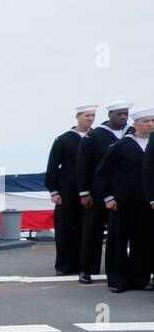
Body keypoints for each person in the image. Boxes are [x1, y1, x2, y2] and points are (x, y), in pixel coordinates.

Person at [94, 107, 154, 293]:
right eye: (146, 121)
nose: (150, 125)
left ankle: (140, 278)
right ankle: (117, 280)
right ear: (135, 124)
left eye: (153, 121)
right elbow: (102, 173)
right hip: (123, 202)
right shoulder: (121, 145)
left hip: (147, 202)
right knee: (118, 241)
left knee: (144, 242)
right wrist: (109, 197)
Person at [76, 101, 133, 284]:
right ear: (109, 115)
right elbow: (83, 165)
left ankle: (120, 270)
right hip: (98, 190)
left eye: (125, 114)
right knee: (92, 231)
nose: (123, 117)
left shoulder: (132, 133)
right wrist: (84, 192)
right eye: (119, 114)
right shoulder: (95, 136)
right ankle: (86, 269)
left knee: (121, 234)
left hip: (124, 192)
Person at [46, 104, 96, 277]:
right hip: (67, 190)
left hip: (90, 190)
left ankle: (86, 265)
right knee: (65, 228)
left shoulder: (97, 137)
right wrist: (53, 191)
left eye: (92, 115)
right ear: (78, 117)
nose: (90, 118)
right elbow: (52, 166)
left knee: (87, 229)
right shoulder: (64, 139)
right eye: (86, 115)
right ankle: (65, 265)